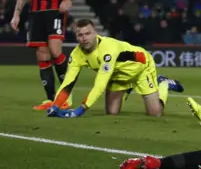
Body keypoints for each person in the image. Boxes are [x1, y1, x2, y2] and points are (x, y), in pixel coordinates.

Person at [45, 19, 184, 118]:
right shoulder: (76, 55)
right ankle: (127, 88)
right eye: (80, 35)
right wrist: (55, 106)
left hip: (141, 68)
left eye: (87, 34)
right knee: (111, 113)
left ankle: (163, 83)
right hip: (117, 76)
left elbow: (100, 84)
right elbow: (69, 82)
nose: (84, 38)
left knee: (155, 113)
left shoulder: (108, 49)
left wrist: (80, 110)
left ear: (95, 33)